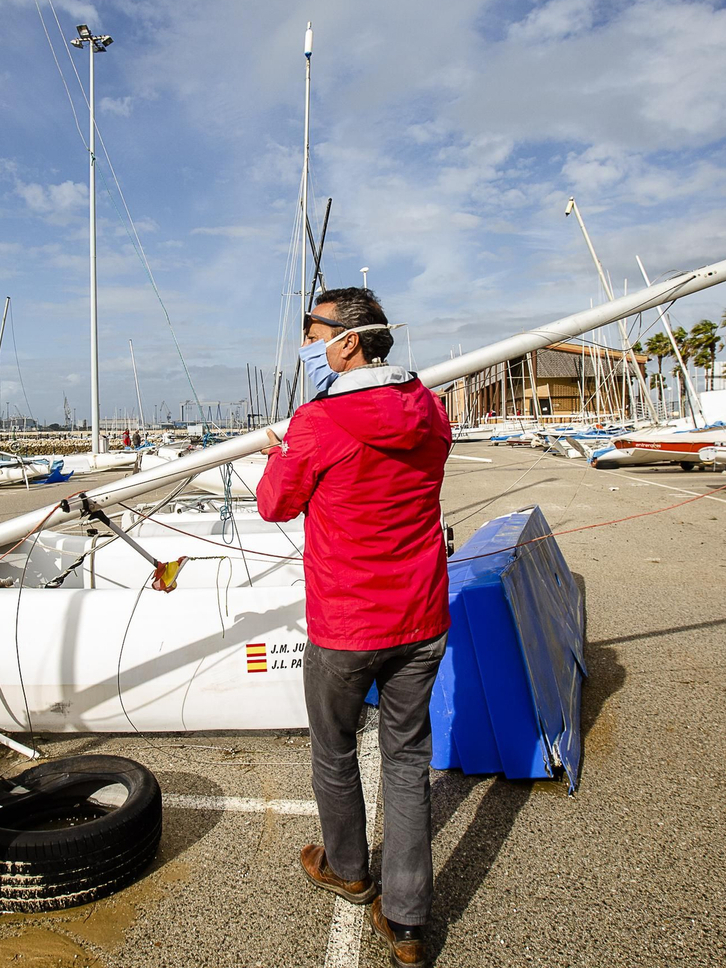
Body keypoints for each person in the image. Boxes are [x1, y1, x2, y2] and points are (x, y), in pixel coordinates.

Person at [256, 286, 451, 967]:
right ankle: (406, 922)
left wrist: (280, 453)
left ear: (348, 340)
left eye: (312, 333)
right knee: (406, 759)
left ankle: (348, 868)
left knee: (335, 749)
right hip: (422, 616)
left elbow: (276, 504)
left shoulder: (318, 420)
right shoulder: (428, 407)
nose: (305, 346)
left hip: (347, 623)